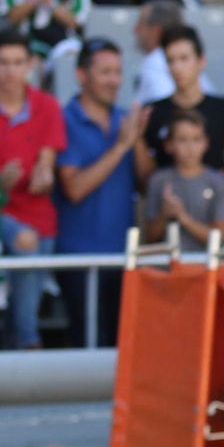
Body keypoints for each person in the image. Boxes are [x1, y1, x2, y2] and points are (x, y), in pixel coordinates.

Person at [0, 30, 63, 349]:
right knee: (27, 245)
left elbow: (47, 164)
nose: (11, 71)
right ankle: (29, 342)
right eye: (4, 63)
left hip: (39, 213)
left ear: (30, 65)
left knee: (27, 293)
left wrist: (43, 176)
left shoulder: (48, 105)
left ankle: (12, 350)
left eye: (17, 62)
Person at [54, 39, 138, 346]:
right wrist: (121, 146)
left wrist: (136, 140)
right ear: (81, 75)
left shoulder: (124, 119)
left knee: (122, 349)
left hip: (123, 256)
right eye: (105, 72)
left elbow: (145, 180)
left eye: (117, 72)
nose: (114, 81)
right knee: (88, 346)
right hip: (80, 256)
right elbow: (74, 188)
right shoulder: (64, 119)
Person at [138, 25, 224, 182]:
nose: (177, 68)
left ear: (201, 61)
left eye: (184, 58)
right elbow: (146, 179)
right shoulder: (153, 113)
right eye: (170, 60)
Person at [142, 110, 224, 252]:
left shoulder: (218, 182)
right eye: (182, 140)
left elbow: (221, 237)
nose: (190, 147)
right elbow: (149, 238)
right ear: (169, 145)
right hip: (166, 269)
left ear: (206, 143)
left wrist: (183, 217)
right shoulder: (158, 181)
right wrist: (164, 213)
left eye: (196, 139)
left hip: (206, 268)